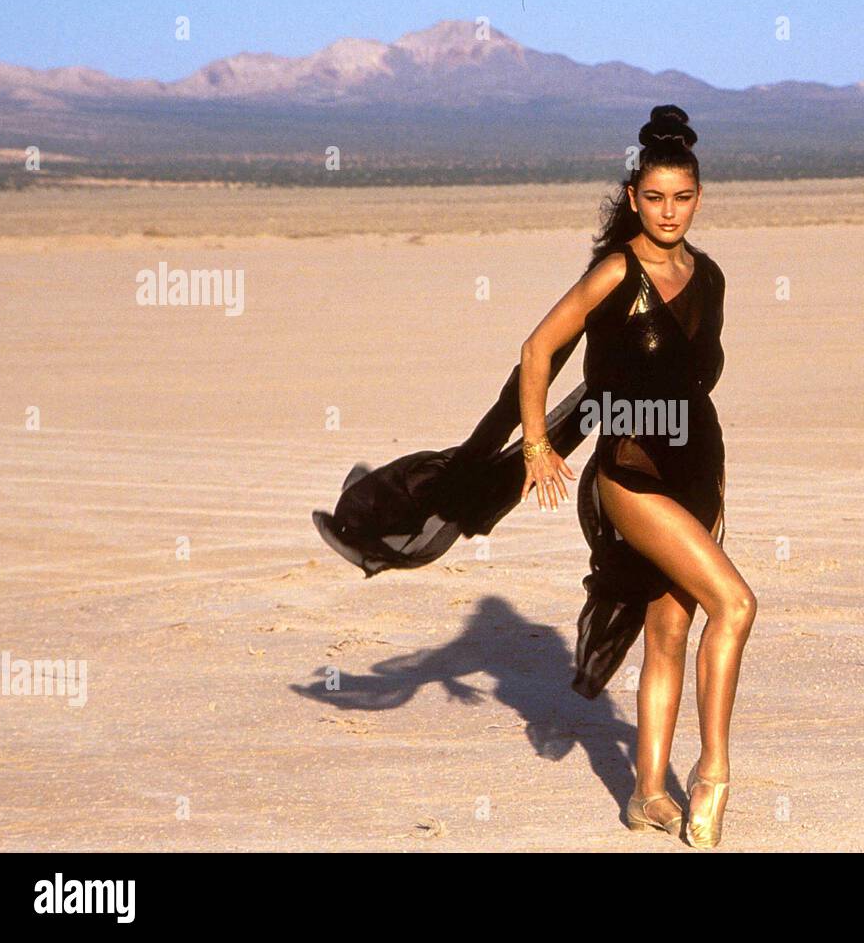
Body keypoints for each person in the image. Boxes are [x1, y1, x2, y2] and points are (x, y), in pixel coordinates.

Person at [312, 104, 756, 848]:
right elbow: (535, 351)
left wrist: (717, 487)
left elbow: (695, 385)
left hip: (701, 472)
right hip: (633, 476)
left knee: (670, 629)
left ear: (699, 197)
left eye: (682, 197)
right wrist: (537, 447)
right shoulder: (616, 271)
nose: (668, 211)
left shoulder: (708, 277)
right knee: (736, 604)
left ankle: (647, 792)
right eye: (653, 197)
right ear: (634, 197)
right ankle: (713, 772)